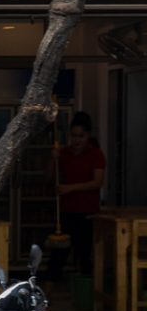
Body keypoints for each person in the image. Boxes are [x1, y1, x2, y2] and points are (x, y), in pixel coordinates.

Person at [47, 111, 105, 281]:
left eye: (81, 136)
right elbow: (49, 178)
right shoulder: (64, 153)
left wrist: (70, 188)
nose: (77, 140)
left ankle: (86, 291)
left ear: (88, 136)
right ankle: (47, 290)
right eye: (73, 136)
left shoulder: (96, 154)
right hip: (66, 211)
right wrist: (53, 159)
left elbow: (97, 182)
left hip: (87, 212)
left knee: (84, 255)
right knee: (58, 255)